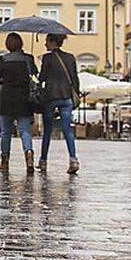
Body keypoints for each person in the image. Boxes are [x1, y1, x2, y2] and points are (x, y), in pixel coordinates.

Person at [38, 33, 82, 174]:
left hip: (51, 97)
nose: (45, 44)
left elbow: (42, 77)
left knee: (48, 131)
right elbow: (75, 79)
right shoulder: (70, 58)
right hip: (66, 97)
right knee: (67, 129)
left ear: (52, 42)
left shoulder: (47, 58)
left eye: (47, 42)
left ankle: (43, 161)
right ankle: (73, 159)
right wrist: (76, 94)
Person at [0, 32, 38, 173]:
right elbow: (35, 74)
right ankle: (29, 153)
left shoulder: (3, 59)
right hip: (24, 99)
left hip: (7, 99)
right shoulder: (28, 59)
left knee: (6, 132)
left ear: (8, 45)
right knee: (25, 131)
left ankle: (5, 161)